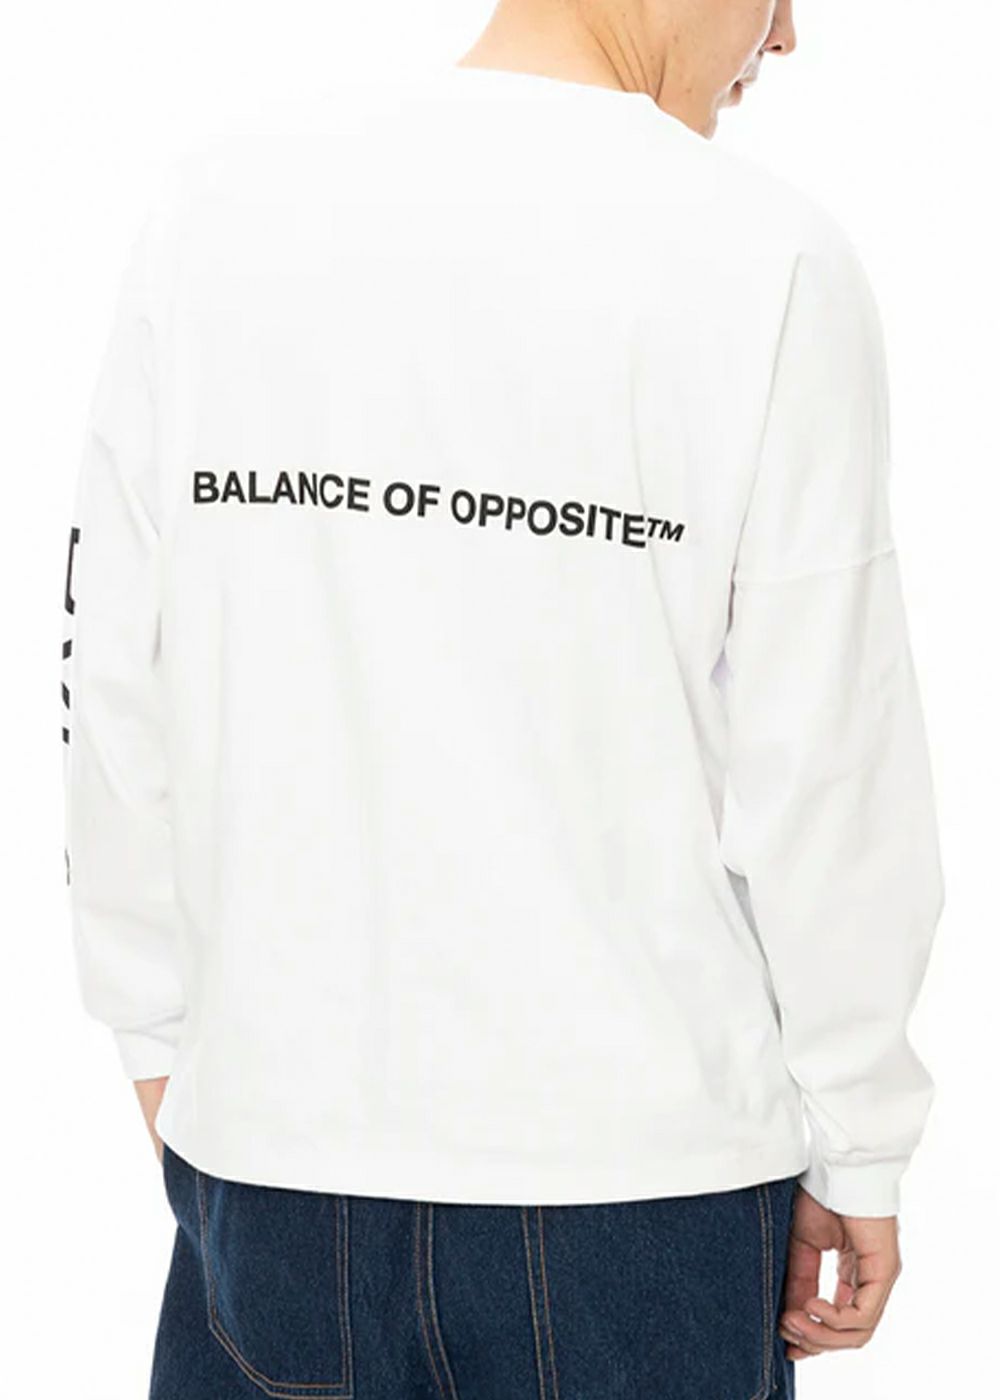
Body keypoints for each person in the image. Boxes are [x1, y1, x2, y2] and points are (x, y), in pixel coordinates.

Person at [60, 1, 945, 1395]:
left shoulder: (216, 214)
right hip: (644, 1192)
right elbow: (832, 770)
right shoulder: (768, 259)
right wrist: (860, 1141)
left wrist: (162, 1034)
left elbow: (114, 676)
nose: (783, 39)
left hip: (276, 1164)